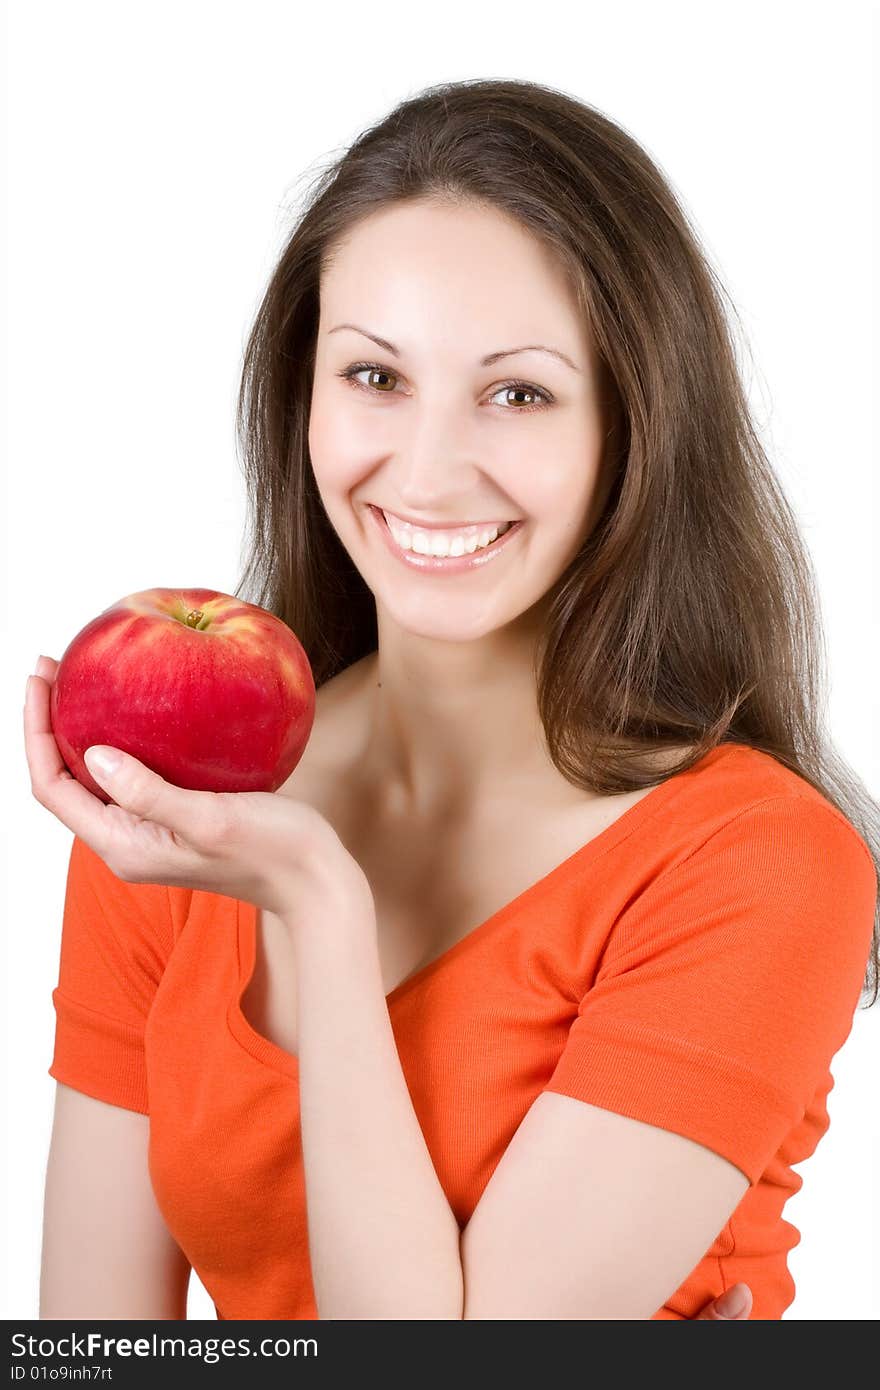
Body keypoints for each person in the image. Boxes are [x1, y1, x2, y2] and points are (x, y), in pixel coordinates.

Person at [27, 79, 877, 1321]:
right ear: (300, 394)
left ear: (632, 429)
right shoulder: (176, 803)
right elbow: (87, 1354)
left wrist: (320, 902)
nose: (424, 473)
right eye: (374, 377)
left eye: (518, 393)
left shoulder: (758, 862)